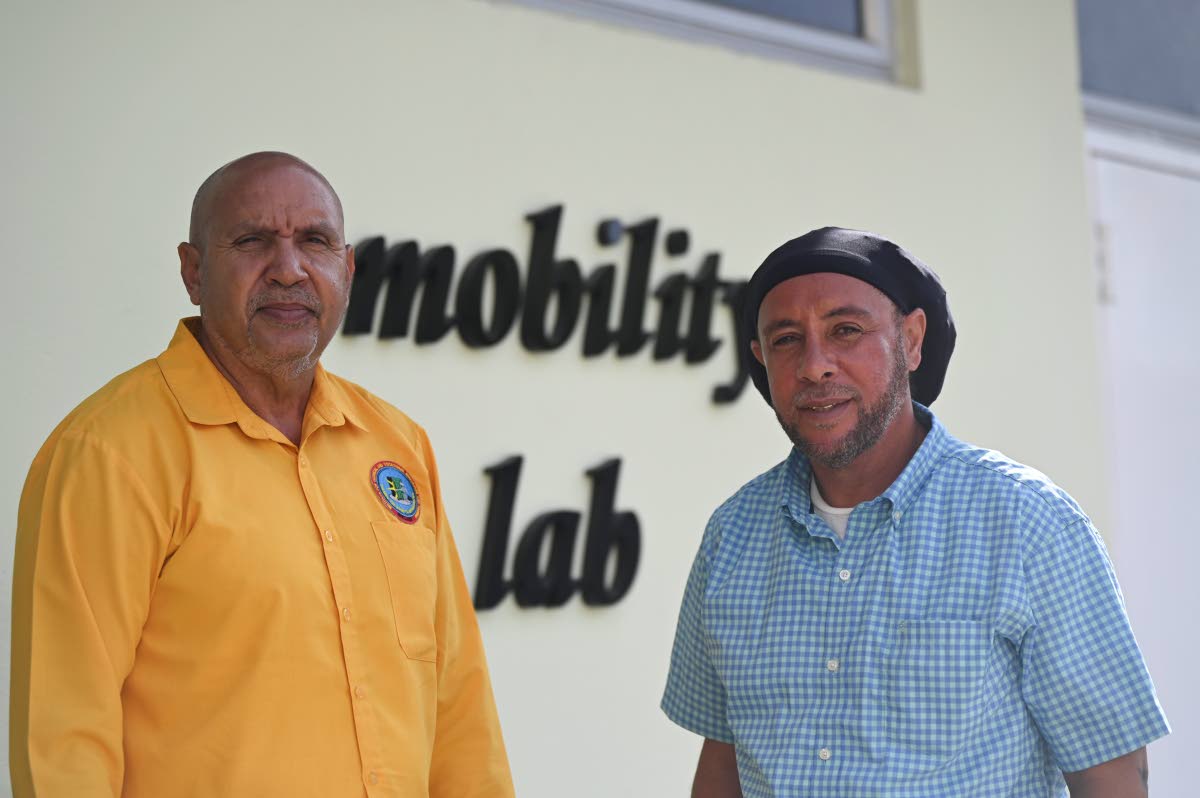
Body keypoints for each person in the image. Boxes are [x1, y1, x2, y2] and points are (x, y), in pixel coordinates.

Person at [11, 152, 514, 797]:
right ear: (193, 272)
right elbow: (63, 740)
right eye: (252, 241)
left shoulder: (396, 446)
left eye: (315, 242)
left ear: (347, 269)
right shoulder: (110, 453)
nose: (289, 269)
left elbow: (460, 709)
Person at [661, 227, 1169, 797]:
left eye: (845, 330)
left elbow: (1111, 773)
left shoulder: (1028, 524)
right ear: (760, 359)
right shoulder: (732, 536)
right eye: (786, 340)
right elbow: (723, 760)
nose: (815, 366)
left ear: (911, 340)